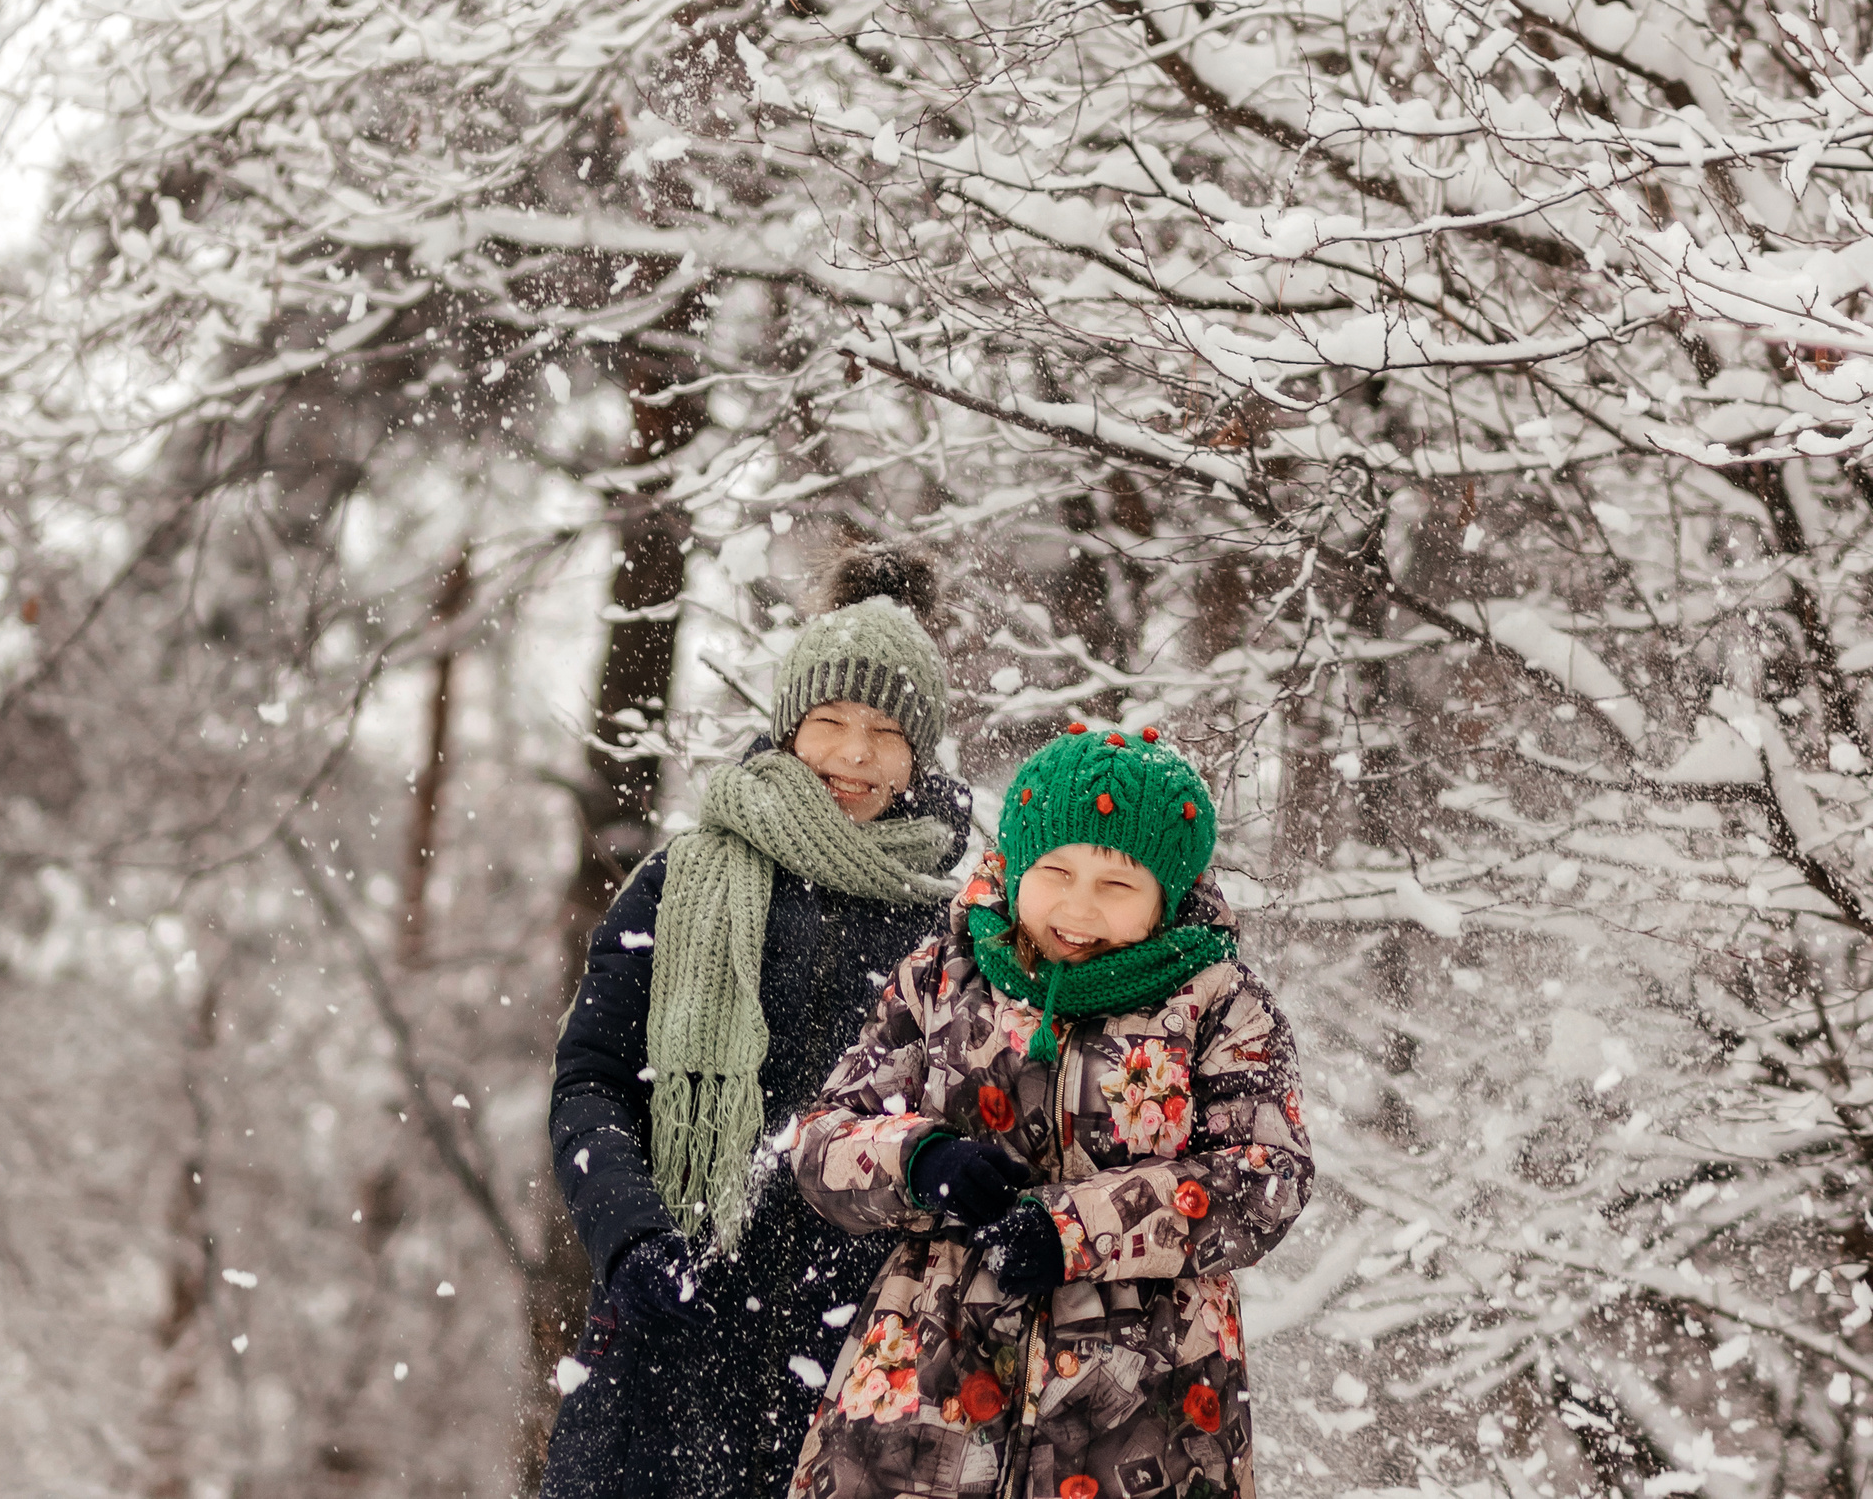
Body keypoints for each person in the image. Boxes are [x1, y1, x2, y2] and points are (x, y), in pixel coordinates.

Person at [786, 723, 1314, 1499]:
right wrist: (922, 1161)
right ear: (1017, 864)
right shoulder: (943, 974)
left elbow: (1267, 1176)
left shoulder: (1219, 1004)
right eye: (1056, 872)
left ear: (1166, 897)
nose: (1077, 907)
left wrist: (1073, 1230)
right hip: (926, 1386)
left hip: (1144, 1402)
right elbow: (821, 1138)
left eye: (1117, 885)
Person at [541, 553, 974, 1499]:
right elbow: (591, 1082)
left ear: (920, 753)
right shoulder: (683, 878)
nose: (853, 756)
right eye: (829, 723)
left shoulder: (961, 926)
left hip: (865, 1344)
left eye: (885, 733)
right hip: (672, 1323)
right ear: (788, 729)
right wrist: (632, 1236)